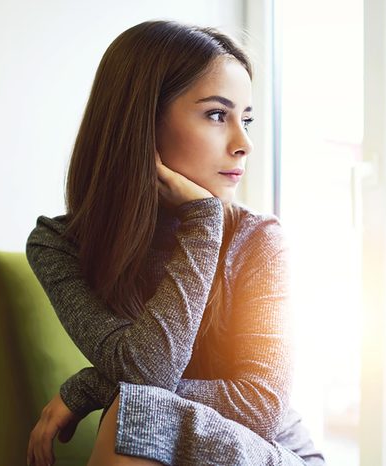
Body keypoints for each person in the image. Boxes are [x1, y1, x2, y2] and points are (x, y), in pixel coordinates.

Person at [23, 20, 325, 466]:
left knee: (133, 409)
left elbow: (261, 406)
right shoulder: (58, 245)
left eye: (247, 119)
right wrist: (202, 223)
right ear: (143, 120)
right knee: (137, 411)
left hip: (276, 454)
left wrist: (91, 385)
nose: (245, 144)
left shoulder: (259, 239)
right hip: (153, 438)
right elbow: (146, 373)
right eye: (217, 115)